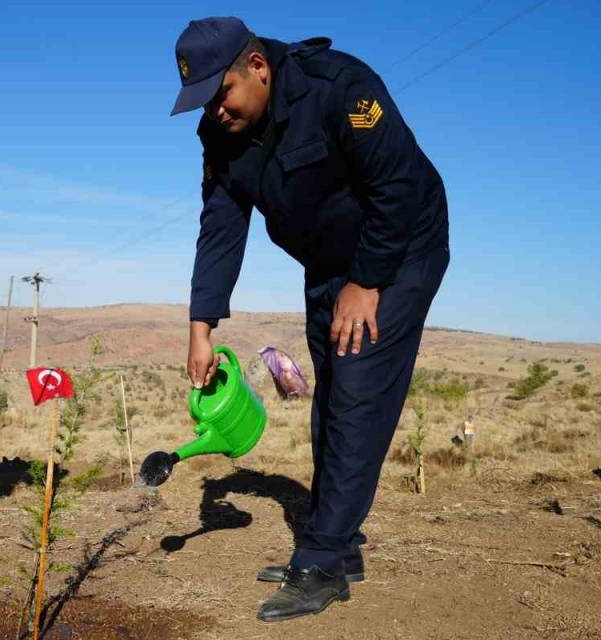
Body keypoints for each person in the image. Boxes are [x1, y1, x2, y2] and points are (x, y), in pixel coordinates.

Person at [171, 17, 450, 622]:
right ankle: (339, 545)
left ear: (259, 68)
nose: (216, 111)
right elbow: (221, 225)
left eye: (221, 93)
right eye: (203, 101)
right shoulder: (219, 134)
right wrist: (201, 325)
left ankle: (321, 561)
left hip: (400, 251)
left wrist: (368, 279)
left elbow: (398, 185)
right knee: (332, 397)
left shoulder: (340, 87)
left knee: (356, 393)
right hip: (329, 261)